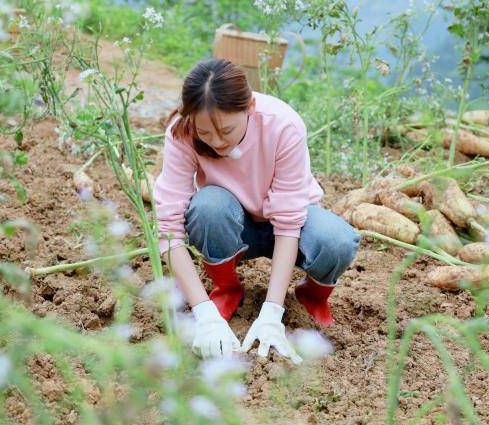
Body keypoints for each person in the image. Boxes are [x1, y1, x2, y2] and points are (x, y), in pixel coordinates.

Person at [153, 58, 359, 362]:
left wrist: (272, 313)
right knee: (208, 206)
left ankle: (310, 298)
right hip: (233, 224)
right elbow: (168, 229)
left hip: (290, 226)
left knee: (336, 240)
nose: (217, 142)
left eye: (226, 130)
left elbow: (289, 223)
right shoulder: (182, 133)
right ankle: (225, 290)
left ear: (248, 108)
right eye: (206, 134)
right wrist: (203, 314)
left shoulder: (283, 125)